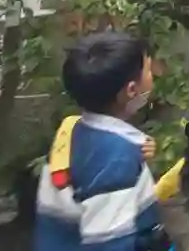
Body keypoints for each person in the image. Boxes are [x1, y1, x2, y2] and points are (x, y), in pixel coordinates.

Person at [36, 32, 165, 251]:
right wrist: (126, 156)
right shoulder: (116, 158)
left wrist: (134, 152)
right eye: (148, 71)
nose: (153, 76)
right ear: (131, 90)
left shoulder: (72, 130)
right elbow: (109, 243)